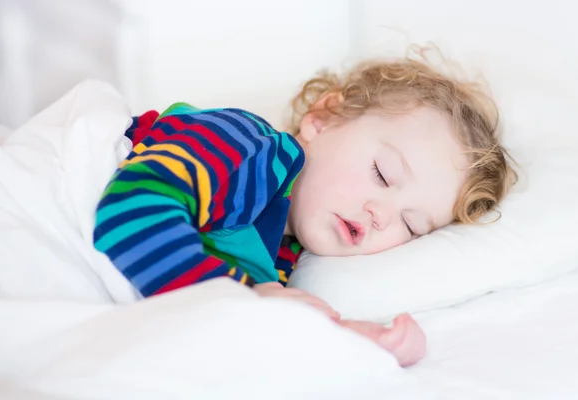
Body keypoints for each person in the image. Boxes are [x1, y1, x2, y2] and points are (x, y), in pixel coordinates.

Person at [93, 47, 515, 367]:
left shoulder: (279, 255)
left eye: (410, 225)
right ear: (323, 118)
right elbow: (129, 219)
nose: (381, 214)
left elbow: (240, 340)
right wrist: (252, 298)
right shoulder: (245, 146)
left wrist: (350, 339)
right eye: (383, 174)